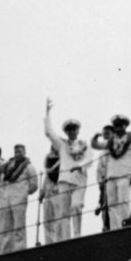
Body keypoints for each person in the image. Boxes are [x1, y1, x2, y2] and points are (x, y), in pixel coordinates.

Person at [43, 99, 91, 241]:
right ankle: (65, 239)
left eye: (74, 129)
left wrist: (80, 166)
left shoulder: (84, 144)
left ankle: (77, 236)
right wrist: (47, 113)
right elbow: (49, 133)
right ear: (66, 131)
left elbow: (89, 158)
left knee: (76, 207)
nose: (71, 131)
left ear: (78, 130)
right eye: (69, 129)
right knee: (63, 213)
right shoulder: (62, 146)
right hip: (64, 181)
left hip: (78, 180)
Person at [94, 115, 131, 230]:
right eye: (116, 125)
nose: (118, 127)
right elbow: (98, 146)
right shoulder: (111, 141)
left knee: (123, 203)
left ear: (125, 126)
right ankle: (115, 229)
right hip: (111, 176)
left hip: (124, 175)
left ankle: (125, 227)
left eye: (120, 125)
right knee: (112, 206)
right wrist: (94, 139)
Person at [0, 143, 39, 253]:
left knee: (19, 225)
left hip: (19, 198)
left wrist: (24, 193)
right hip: (7, 197)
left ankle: (20, 249)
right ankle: (6, 250)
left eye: (19, 151)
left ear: (24, 152)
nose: (17, 154)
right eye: (15, 152)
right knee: (6, 225)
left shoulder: (29, 166)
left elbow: (34, 184)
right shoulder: (9, 166)